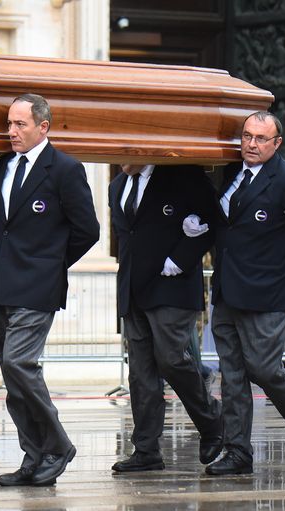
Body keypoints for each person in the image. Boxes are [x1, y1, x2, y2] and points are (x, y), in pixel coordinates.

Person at [205, 111, 285, 476]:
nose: (252, 144)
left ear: (277, 143)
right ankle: (237, 451)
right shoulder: (230, 173)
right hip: (227, 289)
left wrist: (281, 255)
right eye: (247, 136)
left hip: (267, 292)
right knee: (232, 375)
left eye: (261, 138)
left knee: (263, 368)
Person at [0, 94, 100, 486]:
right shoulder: (3, 165)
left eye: (20, 124)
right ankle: (33, 456)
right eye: (9, 124)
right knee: (12, 375)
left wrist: (51, 264)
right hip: (2, 284)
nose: (12, 131)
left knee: (20, 363)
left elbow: (88, 229)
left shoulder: (65, 169)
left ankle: (58, 446)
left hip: (38, 284)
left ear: (43, 126)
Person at [108, 163, 224, 472]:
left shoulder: (182, 175)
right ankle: (146, 448)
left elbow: (213, 219)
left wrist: (181, 258)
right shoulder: (118, 185)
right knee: (140, 373)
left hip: (171, 284)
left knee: (171, 359)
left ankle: (212, 421)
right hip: (133, 290)